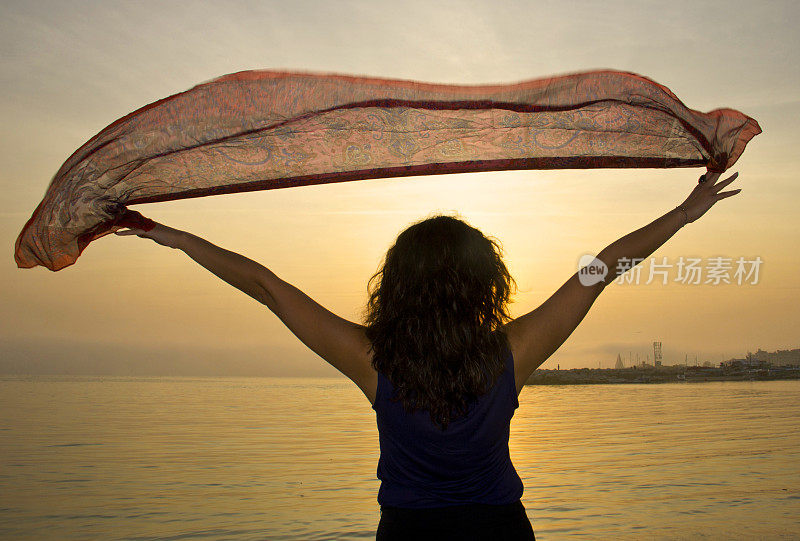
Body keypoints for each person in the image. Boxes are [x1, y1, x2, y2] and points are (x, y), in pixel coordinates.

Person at [115, 170, 741, 540]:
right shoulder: (513, 351)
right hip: (499, 530)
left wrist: (169, 236)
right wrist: (684, 215)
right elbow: (601, 268)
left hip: (410, 535)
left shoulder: (371, 358)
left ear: (397, 285)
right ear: (484, 284)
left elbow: (268, 288)